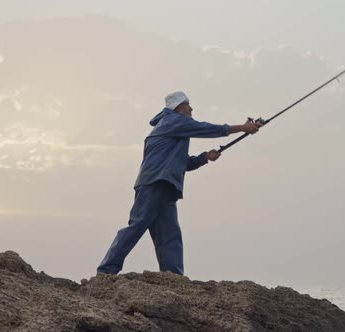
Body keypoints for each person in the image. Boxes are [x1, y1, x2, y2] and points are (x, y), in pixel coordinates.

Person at [97, 91, 262, 275]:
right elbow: (205, 128)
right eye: (187, 104)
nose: (191, 108)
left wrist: (205, 157)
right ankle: (106, 272)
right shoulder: (173, 121)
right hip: (154, 183)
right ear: (177, 107)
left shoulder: (173, 126)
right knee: (137, 225)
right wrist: (243, 128)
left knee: (170, 235)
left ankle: (173, 277)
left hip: (165, 184)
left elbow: (182, 163)